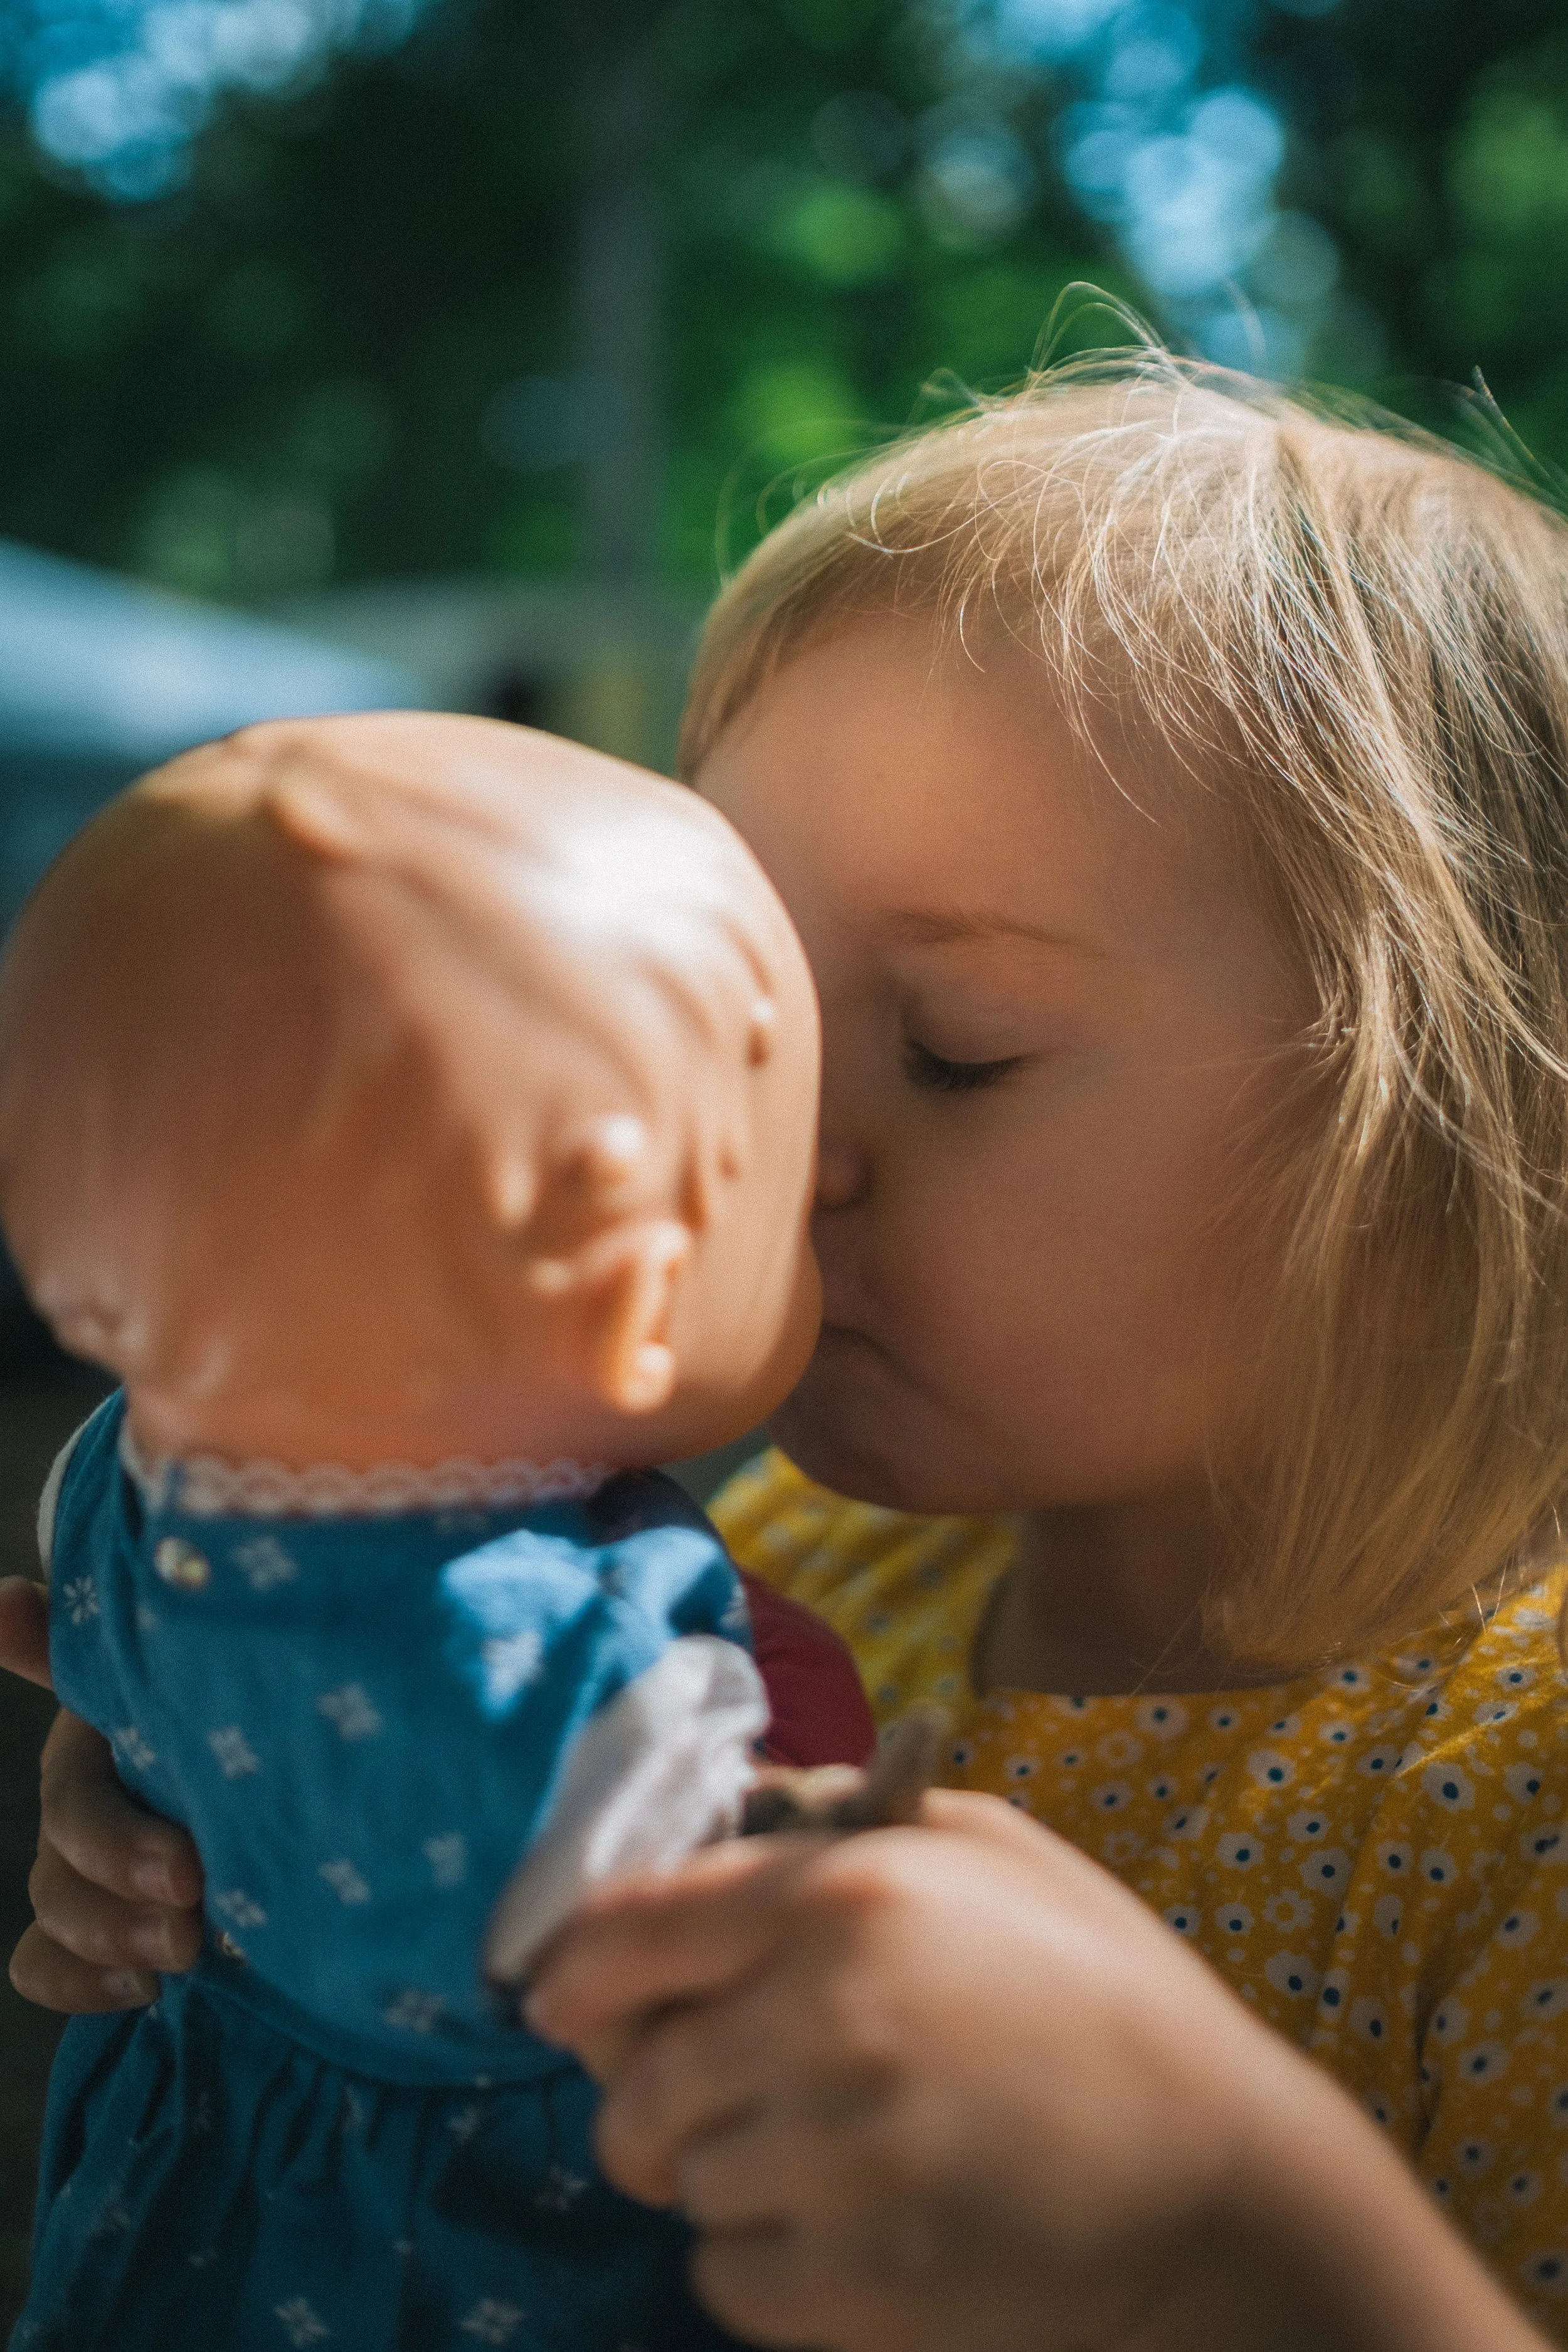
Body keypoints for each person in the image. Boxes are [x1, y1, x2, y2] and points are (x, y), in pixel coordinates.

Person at [9, 351, 1568, 2351]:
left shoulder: (1520, 1796)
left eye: (954, 1047)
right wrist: (259, 1798)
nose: (767, 1143)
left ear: (1454, 1158)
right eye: (747, 1024)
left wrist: (1225, 2239)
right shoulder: (794, 1570)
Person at [0, 711, 873, 2352]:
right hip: (483, 2236)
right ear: (636, 1295)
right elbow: (733, 1901)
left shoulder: (106, 1486)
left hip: (192, 2151)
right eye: (789, 1190)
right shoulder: (573, 1671)